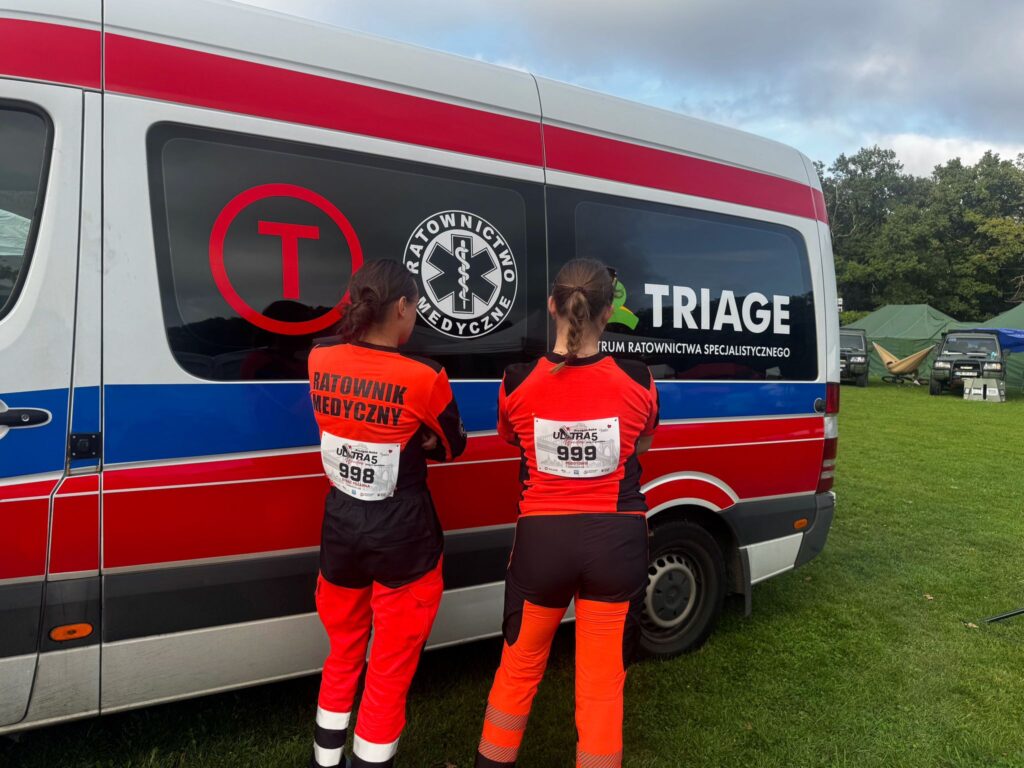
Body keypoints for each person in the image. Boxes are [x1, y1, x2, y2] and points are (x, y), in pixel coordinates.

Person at [474, 259, 659, 768]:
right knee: (602, 684)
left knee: (518, 669)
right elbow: (641, 443)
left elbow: (512, 439)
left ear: (552, 305)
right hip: (615, 542)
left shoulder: (516, 380)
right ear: (608, 312)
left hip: (543, 545)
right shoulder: (639, 378)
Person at [307, 259, 466, 768]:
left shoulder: (319, 357)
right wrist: (422, 441)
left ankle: (325, 760)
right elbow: (453, 444)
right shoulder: (424, 375)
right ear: (401, 307)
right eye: (415, 308)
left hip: (340, 525)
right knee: (390, 666)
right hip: (403, 534)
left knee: (342, 651)